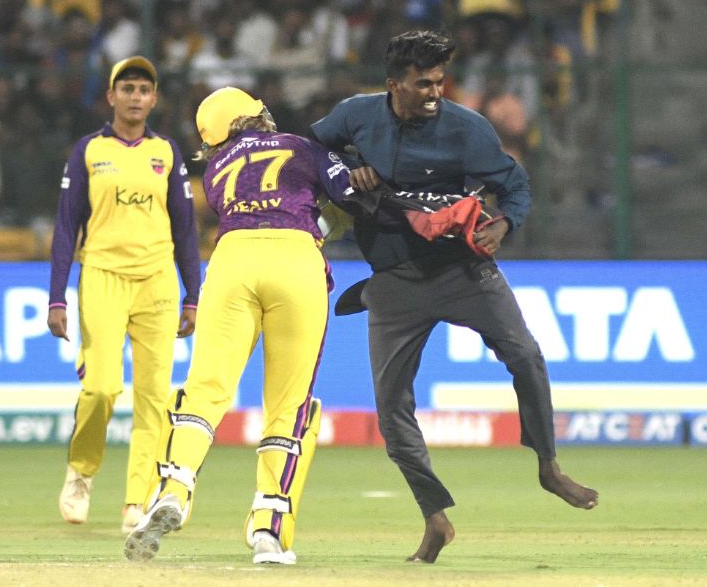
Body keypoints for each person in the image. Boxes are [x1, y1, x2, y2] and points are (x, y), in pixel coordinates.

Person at [307, 30, 598, 564]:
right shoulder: (354, 116)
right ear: (393, 84)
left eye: (441, 82)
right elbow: (308, 152)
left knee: (526, 355)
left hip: (464, 270)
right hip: (394, 279)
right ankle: (434, 518)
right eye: (423, 83)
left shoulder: (468, 129)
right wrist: (346, 170)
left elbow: (515, 184)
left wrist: (505, 223)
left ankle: (548, 465)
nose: (435, 92)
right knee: (392, 408)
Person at [123, 87, 352, 565]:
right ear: (255, 116)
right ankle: (269, 529)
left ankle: (173, 489)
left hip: (232, 261)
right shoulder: (301, 146)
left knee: (205, 389)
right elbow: (351, 194)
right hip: (294, 260)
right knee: (288, 404)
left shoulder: (217, 169)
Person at [48, 56, 201, 535]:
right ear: (111, 96)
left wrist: (193, 295)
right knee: (101, 388)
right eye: (127, 88)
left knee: (154, 397)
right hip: (103, 276)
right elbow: (65, 225)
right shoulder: (89, 151)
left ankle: (137, 502)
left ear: (154, 100)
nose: (135, 97)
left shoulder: (168, 153)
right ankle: (82, 472)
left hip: (156, 281)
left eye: (144, 89)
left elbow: (186, 228)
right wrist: (57, 297)